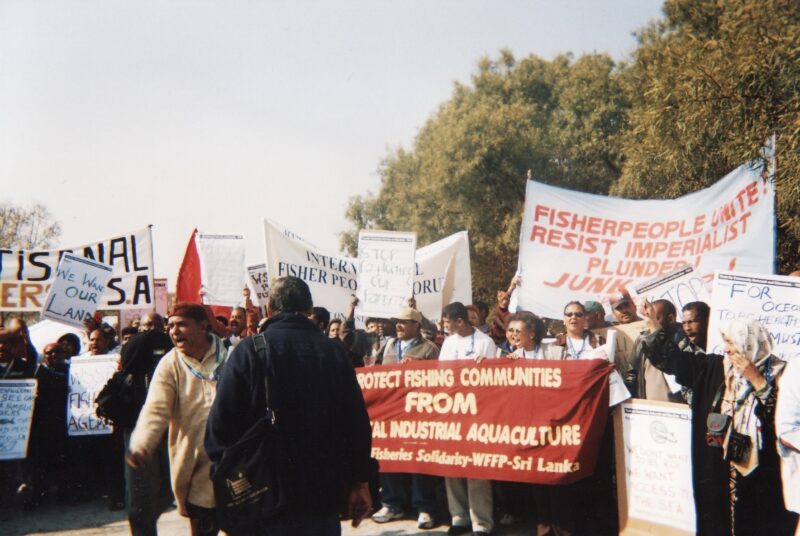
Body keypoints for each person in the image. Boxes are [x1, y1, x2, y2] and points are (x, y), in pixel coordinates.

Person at [205, 276, 373, 535]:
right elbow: (356, 425)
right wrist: (360, 482)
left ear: (270, 309)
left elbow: (218, 430)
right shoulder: (333, 351)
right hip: (321, 494)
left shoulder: (248, 351)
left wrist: (232, 486)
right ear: (309, 309)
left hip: (264, 496)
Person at [640, 307, 797, 535]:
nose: (726, 348)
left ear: (749, 343)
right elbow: (676, 362)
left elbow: (784, 420)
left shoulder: (782, 373)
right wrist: (653, 324)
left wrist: (758, 381)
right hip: (719, 467)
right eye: (725, 341)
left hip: (762, 474)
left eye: (731, 343)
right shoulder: (715, 367)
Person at [127, 303, 228, 536]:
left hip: (232, 462)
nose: (174, 331)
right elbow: (156, 408)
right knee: (203, 528)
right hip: (195, 466)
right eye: (170, 326)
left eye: (181, 324)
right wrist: (142, 442)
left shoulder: (231, 355)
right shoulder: (170, 364)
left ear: (203, 327)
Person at [372, 306, 440, 530]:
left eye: (404, 322)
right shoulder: (388, 346)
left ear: (417, 325)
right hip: (391, 412)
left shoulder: (429, 348)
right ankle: (392, 504)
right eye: (397, 321)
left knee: (418, 458)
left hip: (418, 414)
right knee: (390, 456)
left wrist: (419, 369)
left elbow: (439, 379)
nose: (399, 326)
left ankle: (424, 507)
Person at [439, 302, 497, 536]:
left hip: (477, 412)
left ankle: (481, 522)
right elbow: (441, 375)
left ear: (459, 321)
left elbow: (495, 378)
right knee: (452, 465)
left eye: (447, 323)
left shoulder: (485, 342)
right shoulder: (449, 343)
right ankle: (459, 517)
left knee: (476, 467)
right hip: (452, 411)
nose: (445, 327)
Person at [120, 330, 175, 536]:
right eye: (145, 326)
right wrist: (145, 337)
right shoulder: (136, 360)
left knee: (168, 491)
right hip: (139, 431)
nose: (151, 330)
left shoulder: (171, 359)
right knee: (140, 498)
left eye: (155, 325)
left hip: (169, 430)